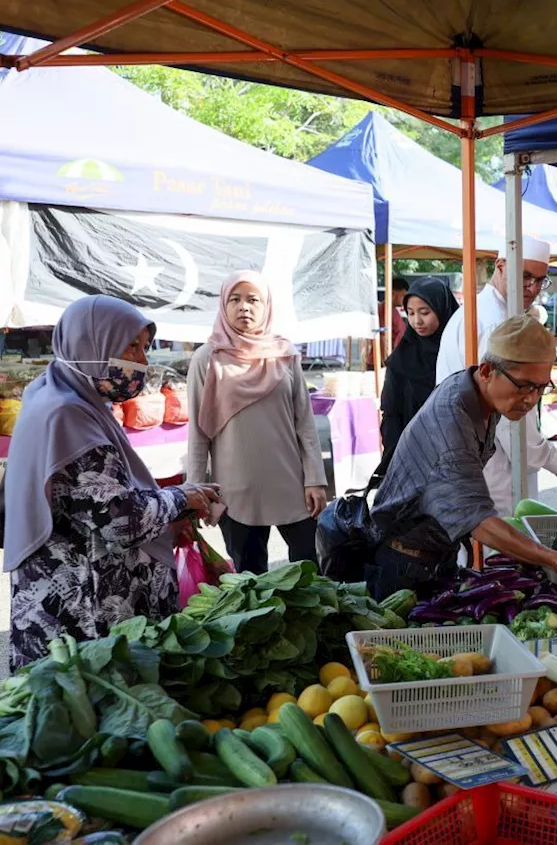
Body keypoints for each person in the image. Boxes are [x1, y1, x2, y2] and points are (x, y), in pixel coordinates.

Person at [4, 296, 220, 669]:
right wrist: (182, 498)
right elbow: (122, 522)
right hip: (79, 616)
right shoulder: (67, 414)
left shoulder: (55, 393)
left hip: (73, 597)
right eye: (130, 346)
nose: (142, 361)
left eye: (144, 347)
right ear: (92, 344)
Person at [370, 316, 557, 610]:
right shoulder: (452, 424)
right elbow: (479, 522)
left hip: (433, 554)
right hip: (402, 565)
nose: (531, 399)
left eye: (540, 388)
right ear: (486, 371)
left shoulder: (480, 393)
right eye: (523, 386)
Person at [436, 237, 557, 515]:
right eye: (525, 276)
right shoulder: (496, 323)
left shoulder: (481, 312)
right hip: (492, 465)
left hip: (477, 458)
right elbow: (510, 412)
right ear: (501, 266)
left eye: (540, 280)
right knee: (502, 551)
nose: (532, 288)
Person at [188, 272, 328, 574]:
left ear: (267, 307)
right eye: (235, 300)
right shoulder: (207, 359)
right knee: (252, 582)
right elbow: (198, 434)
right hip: (237, 491)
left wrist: (315, 478)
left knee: (310, 571)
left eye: (253, 300)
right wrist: (195, 492)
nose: (244, 308)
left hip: (291, 484)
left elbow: (304, 422)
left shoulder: (284, 355)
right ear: (223, 306)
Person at [379, 277, 460, 471]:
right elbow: (390, 413)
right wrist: (394, 460)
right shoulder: (401, 359)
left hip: (454, 457)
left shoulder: (459, 352)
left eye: (425, 312)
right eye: (411, 313)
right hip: (410, 458)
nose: (417, 321)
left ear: (442, 309)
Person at [379, 276, 409, 358]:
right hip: (387, 360)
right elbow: (382, 337)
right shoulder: (384, 310)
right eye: (403, 296)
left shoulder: (394, 310)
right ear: (392, 294)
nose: (405, 299)